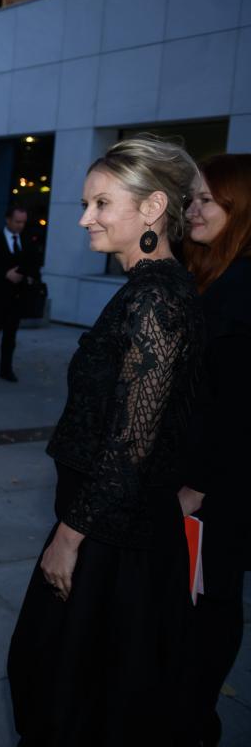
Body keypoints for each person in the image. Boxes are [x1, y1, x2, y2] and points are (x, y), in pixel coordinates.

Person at [7, 136, 204, 745]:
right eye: (85, 204)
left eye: (101, 203)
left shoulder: (156, 298)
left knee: (71, 698)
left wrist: (69, 539)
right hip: (110, 526)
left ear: (152, 208)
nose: (85, 218)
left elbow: (129, 445)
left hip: (111, 539)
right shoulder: (152, 289)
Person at [178, 153, 251, 747]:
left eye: (208, 199)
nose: (194, 209)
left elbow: (237, 409)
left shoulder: (240, 292)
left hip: (215, 495)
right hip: (209, 488)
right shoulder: (216, 277)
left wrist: (196, 486)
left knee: (209, 606)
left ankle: (193, 723)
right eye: (192, 198)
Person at [0, 207, 38, 382]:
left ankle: (6, 369)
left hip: (16, 298)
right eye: (17, 221)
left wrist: (28, 277)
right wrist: (5, 274)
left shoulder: (27, 240)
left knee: (10, 336)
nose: (20, 225)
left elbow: (33, 264)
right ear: (8, 220)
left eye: (23, 222)